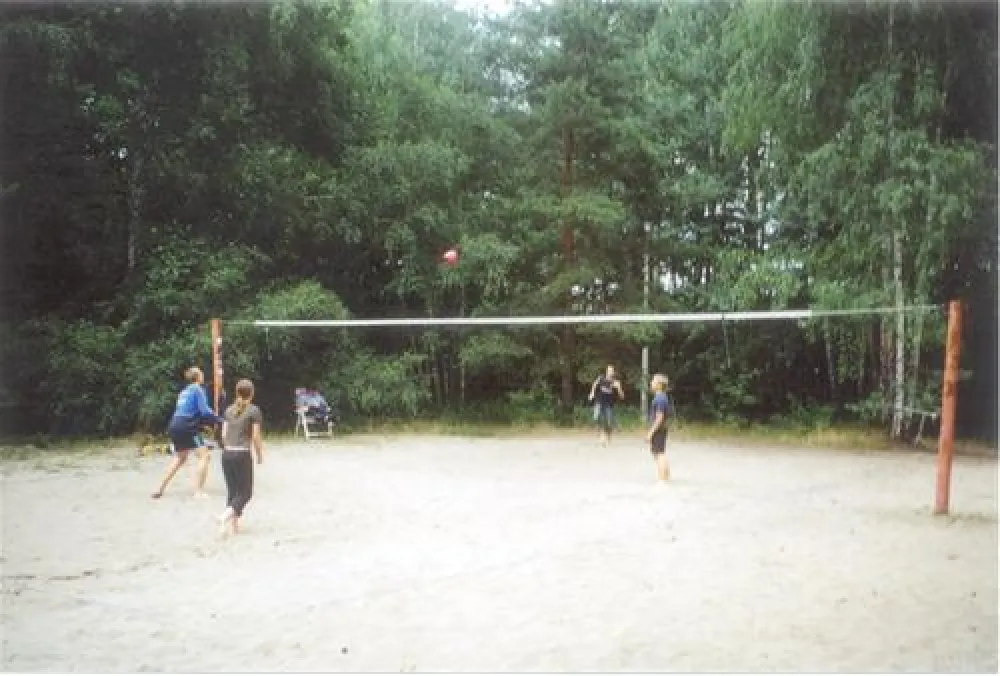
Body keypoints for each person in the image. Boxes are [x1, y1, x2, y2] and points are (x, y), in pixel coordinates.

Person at [152, 366, 224, 499]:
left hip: (175, 425)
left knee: (180, 458)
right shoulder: (198, 389)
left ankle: (160, 488)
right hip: (188, 427)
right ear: (198, 377)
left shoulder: (183, 392)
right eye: (201, 373)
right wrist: (219, 419)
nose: (203, 375)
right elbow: (205, 411)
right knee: (204, 456)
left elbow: (188, 410)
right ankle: (198, 491)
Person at [218, 378, 264, 537]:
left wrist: (228, 448)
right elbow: (256, 437)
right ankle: (224, 517)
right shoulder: (254, 411)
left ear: (237, 392)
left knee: (233, 491)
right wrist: (259, 455)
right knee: (245, 493)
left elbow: (223, 435)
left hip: (226, 454)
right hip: (242, 453)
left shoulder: (228, 410)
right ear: (252, 393)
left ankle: (232, 526)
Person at [645, 373, 674, 482]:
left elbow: (659, 418)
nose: (651, 383)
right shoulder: (661, 397)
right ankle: (665, 478)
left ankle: (662, 480)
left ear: (659, 385)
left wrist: (650, 433)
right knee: (658, 453)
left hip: (658, 430)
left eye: (653, 381)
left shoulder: (660, 399)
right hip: (660, 429)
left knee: (659, 454)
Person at [588, 364, 624, 446]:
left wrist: (619, 388)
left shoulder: (615, 382)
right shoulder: (601, 378)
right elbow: (594, 384)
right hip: (599, 402)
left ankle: (608, 437)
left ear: (613, 372)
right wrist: (592, 393)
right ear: (606, 371)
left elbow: (622, 396)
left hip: (609, 404)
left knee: (609, 422)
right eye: (609, 370)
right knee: (596, 417)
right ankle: (600, 435)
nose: (610, 372)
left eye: (611, 371)